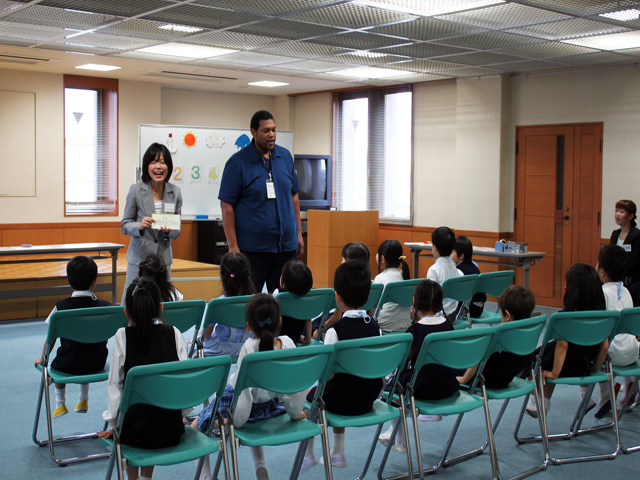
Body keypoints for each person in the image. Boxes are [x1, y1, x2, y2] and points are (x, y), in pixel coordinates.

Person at [193, 294, 307, 480]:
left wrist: (236, 421)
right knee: (251, 412)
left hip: (238, 404)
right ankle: (260, 464)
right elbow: (296, 384)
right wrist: (295, 412)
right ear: (279, 320)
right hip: (268, 405)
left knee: (197, 425)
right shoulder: (288, 343)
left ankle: (205, 476)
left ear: (248, 326)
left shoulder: (249, 347)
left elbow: (243, 394)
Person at [99, 277, 188, 480]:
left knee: (136, 409)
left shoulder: (122, 336)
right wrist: (180, 415)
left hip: (134, 431)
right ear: (161, 308)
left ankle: (132, 477)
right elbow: (183, 382)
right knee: (154, 404)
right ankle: (146, 477)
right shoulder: (174, 333)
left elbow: (115, 385)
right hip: (170, 429)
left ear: (126, 312)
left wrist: (114, 425)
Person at [302, 261, 382, 470]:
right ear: (367, 296)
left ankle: (308, 452)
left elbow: (327, 375)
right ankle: (337, 452)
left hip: (342, 400)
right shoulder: (375, 327)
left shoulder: (334, 330)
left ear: (337, 296)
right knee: (343, 382)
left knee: (310, 394)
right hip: (368, 398)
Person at [219, 110, 303, 293]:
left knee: (285, 300)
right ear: (253, 132)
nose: (271, 135)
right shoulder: (238, 163)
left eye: (274, 130)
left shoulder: (285, 157)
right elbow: (226, 205)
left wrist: (298, 233)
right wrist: (233, 247)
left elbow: (294, 196)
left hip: (285, 247)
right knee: (249, 300)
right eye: (266, 131)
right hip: (252, 250)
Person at [379, 280, 459, 452]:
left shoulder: (414, 331)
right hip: (448, 385)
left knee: (392, 388)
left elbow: (402, 363)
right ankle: (394, 431)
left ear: (414, 301)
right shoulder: (448, 326)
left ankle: (399, 439)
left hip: (422, 387)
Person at [525, 264, 609, 418]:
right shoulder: (603, 316)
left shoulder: (565, 316)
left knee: (536, 361)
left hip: (566, 364)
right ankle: (547, 402)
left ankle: (536, 402)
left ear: (572, 291)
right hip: (585, 363)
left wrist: (555, 373)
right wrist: (594, 368)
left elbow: (562, 346)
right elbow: (604, 346)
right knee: (548, 358)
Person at [34, 256, 110, 418]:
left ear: (69, 280)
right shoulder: (103, 307)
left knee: (56, 364)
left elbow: (51, 338)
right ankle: (83, 400)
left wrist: (43, 358)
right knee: (86, 354)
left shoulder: (61, 307)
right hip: (97, 363)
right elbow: (105, 338)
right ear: (94, 282)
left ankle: (60, 404)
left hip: (68, 363)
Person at [121, 142, 182, 304]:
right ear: (147, 166)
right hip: (139, 258)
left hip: (162, 260)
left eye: (162, 162)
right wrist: (139, 226)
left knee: (162, 302)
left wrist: (169, 230)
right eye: (154, 162)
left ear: (168, 166)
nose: (158, 167)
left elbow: (177, 231)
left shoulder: (175, 192)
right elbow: (125, 225)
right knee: (133, 301)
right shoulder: (136, 190)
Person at [456, 285, 535, 389]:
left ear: (507, 315)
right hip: (505, 379)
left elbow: (479, 356)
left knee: (447, 366)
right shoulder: (530, 333)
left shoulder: (499, 335)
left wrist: (464, 379)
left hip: (481, 378)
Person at [593, 245, 638, 418]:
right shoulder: (626, 292)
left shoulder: (601, 293)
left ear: (601, 271)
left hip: (613, 356)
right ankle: (630, 385)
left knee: (594, 346)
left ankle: (605, 393)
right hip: (633, 353)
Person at [197, 252, 255, 358]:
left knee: (192, 343)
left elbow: (206, 335)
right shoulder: (256, 300)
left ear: (223, 276)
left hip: (222, 350)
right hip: (249, 348)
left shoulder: (217, 303)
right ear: (248, 275)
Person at [318, 242, 371, 334]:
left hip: (344, 322)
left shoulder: (345, 284)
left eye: (342, 259)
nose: (341, 262)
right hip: (364, 321)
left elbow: (337, 317)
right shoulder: (369, 283)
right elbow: (371, 312)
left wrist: (321, 330)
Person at [373, 239, 412, 333]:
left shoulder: (379, 278)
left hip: (385, 325)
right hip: (406, 324)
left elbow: (374, 307)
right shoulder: (404, 275)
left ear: (382, 259)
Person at [426, 227, 463, 320]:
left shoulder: (433, 270)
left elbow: (430, 299)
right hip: (453, 315)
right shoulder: (456, 269)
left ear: (435, 247)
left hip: (438, 317)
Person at [276, 259, 314, 344]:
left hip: (279, 339)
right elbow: (308, 317)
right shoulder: (307, 296)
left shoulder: (278, 294)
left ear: (284, 284)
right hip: (296, 336)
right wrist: (307, 338)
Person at [610, 199, 640, 304]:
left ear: (630, 216)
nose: (617, 214)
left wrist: (617, 270)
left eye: (622, 212)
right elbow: (610, 256)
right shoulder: (615, 234)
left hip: (631, 278)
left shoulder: (636, 235)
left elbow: (634, 262)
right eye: (616, 210)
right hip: (616, 276)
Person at [451, 235, 486, 318]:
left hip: (468, 308)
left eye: (452, 252)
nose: (449, 255)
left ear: (461, 256)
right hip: (479, 308)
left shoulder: (460, 271)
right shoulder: (474, 267)